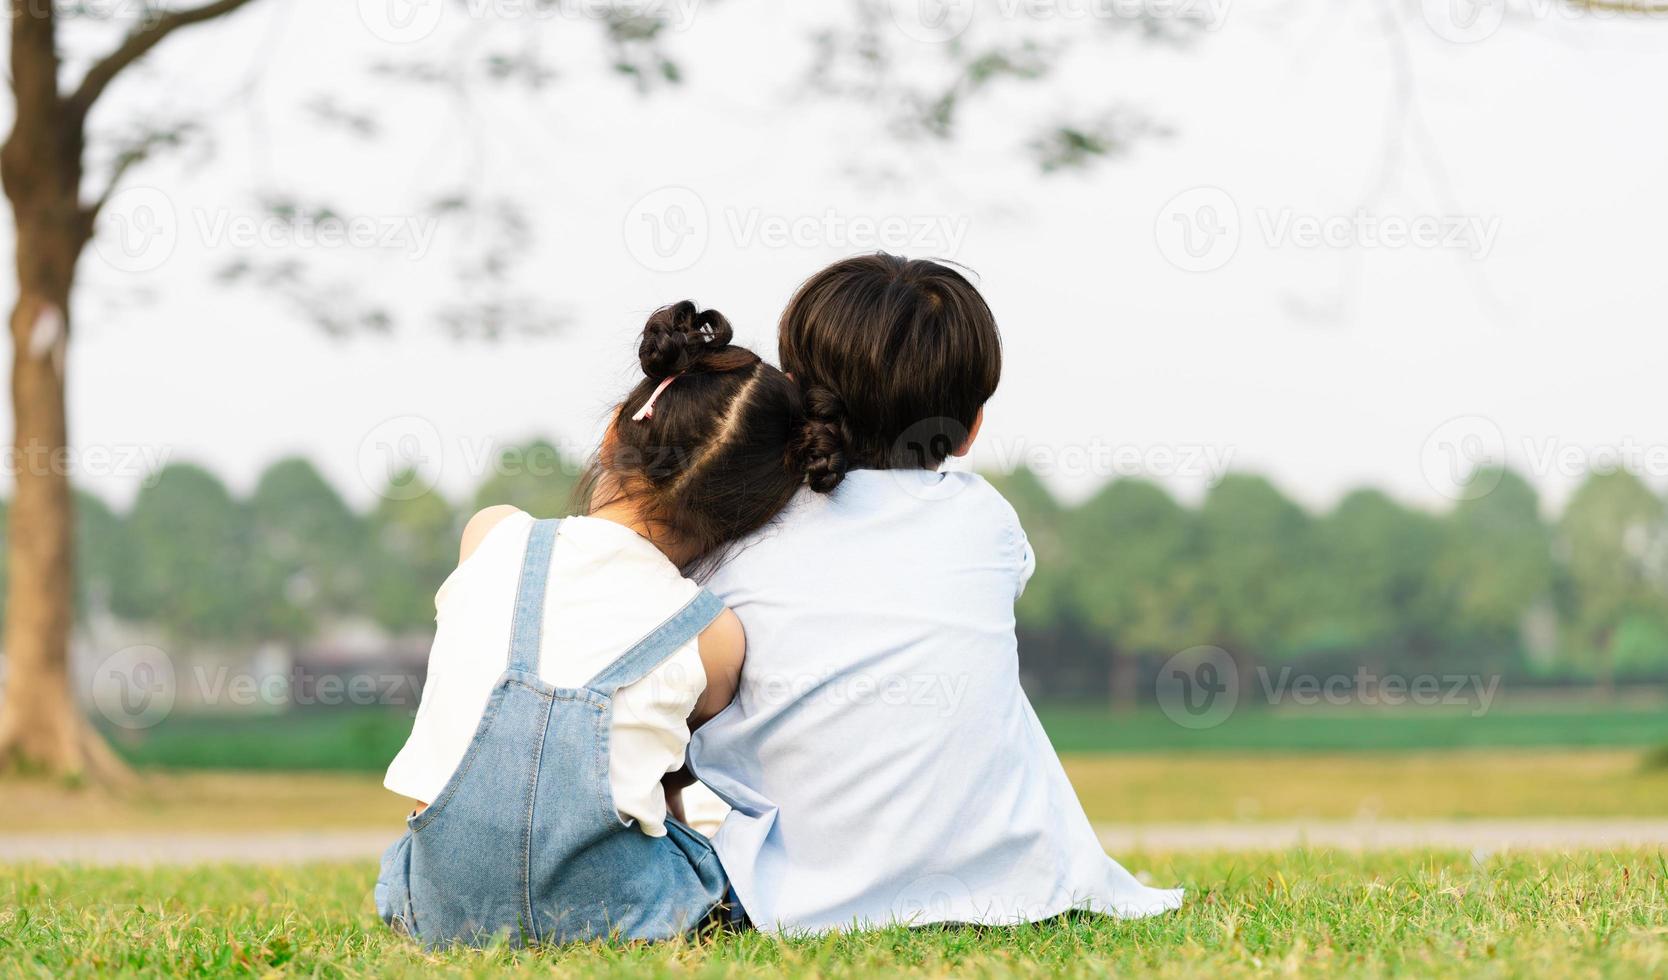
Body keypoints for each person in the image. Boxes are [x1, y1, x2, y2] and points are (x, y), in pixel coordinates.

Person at [687, 253, 1185, 933]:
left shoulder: (739, 526)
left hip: (790, 897)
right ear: (972, 426)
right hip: (1012, 890)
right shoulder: (987, 520)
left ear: (792, 395)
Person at [375, 301, 837, 947]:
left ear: (612, 434)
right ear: (752, 515)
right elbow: (671, 773)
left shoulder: (493, 535)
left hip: (442, 911)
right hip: (616, 917)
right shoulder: (714, 634)